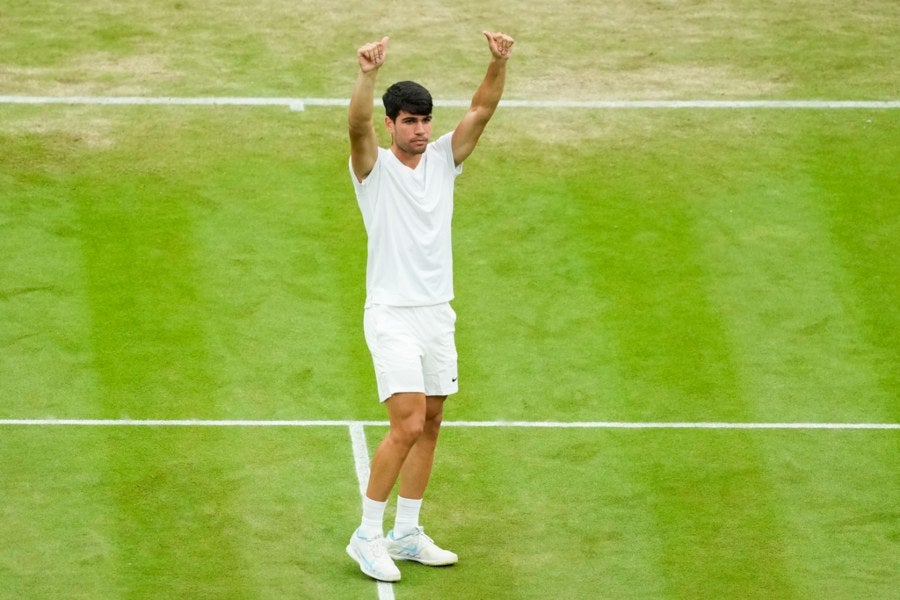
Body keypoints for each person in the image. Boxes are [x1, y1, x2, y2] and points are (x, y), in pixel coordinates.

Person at [345, 31, 515, 582]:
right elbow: (356, 126)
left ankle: (407, 532)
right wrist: (368, 75)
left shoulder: (445, 159)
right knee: (408, 422)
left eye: (425, 120)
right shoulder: (372, 169)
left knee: (434, 420)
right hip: (391, 313)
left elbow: (483, 108)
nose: (420, 130)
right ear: (392, 124)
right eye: (410, 121)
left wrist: (497, 60)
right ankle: (367, 535)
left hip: (437, 312)